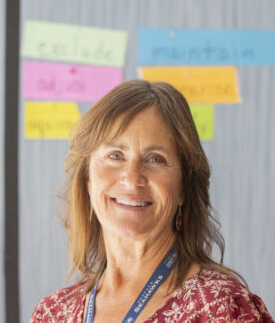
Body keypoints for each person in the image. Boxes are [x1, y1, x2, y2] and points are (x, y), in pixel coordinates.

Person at [30, 80, 273, 322]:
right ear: (87, 180)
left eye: (155, 159)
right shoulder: (53, 313)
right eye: (115, 156)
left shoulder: (220, 308)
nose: (132, 179)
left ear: (183, 189)